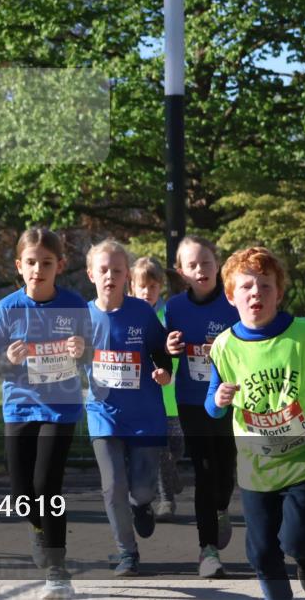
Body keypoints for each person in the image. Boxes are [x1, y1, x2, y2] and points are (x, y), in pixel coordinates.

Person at [207, 246, 305, 600]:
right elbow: (213, 408)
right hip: (257, 462)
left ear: (279, 293)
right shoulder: (223, 347)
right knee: (260, 552)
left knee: (294, 540)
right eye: (247, 287)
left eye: (266, 286)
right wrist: (219, 399)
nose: (257, 293)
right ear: (230, 296)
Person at [0, 227, 90, 600]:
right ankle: (37, 528)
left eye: (46, 263)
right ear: (19, 265)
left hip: (60, 407)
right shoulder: (7, 309)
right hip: (19, 407)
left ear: (59, 266)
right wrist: (7, 360)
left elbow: (91, 353)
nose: (38, 270)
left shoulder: (76, 305)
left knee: (48, 485)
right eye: (31, 262)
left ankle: (58, 571)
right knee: (22, 495)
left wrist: (82, 350)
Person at [84, 240, 172, 577]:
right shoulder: (82, 315)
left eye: (117, 270)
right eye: (103, 270)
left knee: (142, 489)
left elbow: (160, 350)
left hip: (145, 415)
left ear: (126, 276)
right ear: (92, 274)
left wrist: (165, 372)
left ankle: (142, 505)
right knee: (112, 486)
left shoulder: (141, 312)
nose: (110, 276)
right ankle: (127, 553)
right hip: (102, 413)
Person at [163, 236, 240, 577]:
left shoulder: (232, 302)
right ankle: (207, 551)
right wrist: (171, 347)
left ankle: (221, 509)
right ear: (182, 272)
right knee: (205, 470)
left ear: (217, 264)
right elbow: (162, 351)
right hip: (192, 399)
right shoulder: (175, 308)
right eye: (192, 265)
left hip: (231, 398)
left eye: (206, 263)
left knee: (226, 469)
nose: (200, 270)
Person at [129, 256, 184, 522]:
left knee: (176, 448)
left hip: (172, 396)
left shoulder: (167, 315)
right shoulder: (132, 316)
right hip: (148, 400)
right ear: (133, 288)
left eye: (152, 287)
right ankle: (167, 501)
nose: (147, 292)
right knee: (160, 449)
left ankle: (172, 475)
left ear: (159, 287)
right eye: (142, 287)